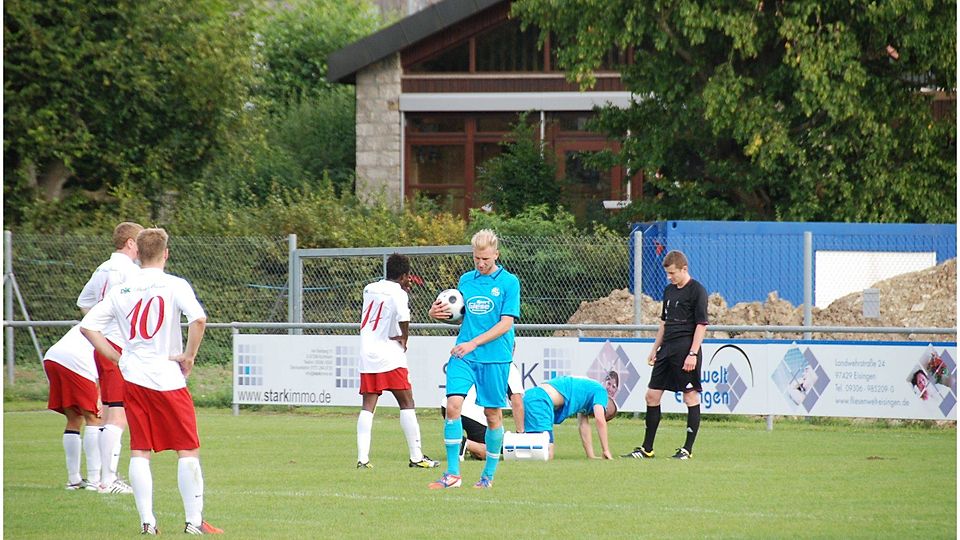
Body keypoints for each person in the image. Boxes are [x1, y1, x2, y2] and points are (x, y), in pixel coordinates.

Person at [80, 228, 222, 535]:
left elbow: (88, 327)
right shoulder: (174, 284)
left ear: (138, 254)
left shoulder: (123, 290)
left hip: (134, 377)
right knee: (187, 449)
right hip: (167, 377)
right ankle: (194, 522)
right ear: (166, 253)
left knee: (140, 449)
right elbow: (198, 319)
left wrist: (117, 357)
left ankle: (148, 522)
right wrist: (189, 355)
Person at [428, 229, 520, 489]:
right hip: (464, 355)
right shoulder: (465, 281)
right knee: (453, 405)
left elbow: (506, 324)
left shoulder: (509, 283)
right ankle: (453, 474)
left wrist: (474, 343)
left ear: (496, 255)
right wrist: (435, 312)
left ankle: (487, 476)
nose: (481, 264)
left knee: (492, 415)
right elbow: (456, 312)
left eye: (486, 260)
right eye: (477, 258)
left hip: (494, 357)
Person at [77, 221, 142, 494]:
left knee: (106, 414)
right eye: (140, 241)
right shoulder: (128, 271)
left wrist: (99, 328)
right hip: (117, 347)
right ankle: (109, 480)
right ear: (130, 242)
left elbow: (84, 302)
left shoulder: (102, 267)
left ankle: (100, 478)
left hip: (103, 344)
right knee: (118, 413)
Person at [623, 250, 708, 461]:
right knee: (651, 396)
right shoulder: (669, 290)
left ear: (684, 269)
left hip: (685, 349)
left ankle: (687, 449)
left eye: (672, 273)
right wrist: (654, 349)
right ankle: (647, 449)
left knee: (690, 396)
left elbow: (701, 325)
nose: (670, 277)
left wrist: (692, 353)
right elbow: (664, 322)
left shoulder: (697, 290)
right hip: (666, 350)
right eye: (668, 274)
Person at [356, 253, 438, 469]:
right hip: (390, 354)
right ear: (404, 276)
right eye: (408, 277)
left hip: (367, 352)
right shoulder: (399, 293)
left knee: (368, 406)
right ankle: (416, 457)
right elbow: (404, 318)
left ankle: (362, 459)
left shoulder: (369, 288)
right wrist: (404, 338)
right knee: (407, 401)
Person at [43, 324, 103, 490]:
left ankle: (74, 479)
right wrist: (100, 396)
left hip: (52, 358)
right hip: (76, 361)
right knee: (95, 417)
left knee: (75, 417)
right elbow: (107, 364)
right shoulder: (120, 323)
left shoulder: (98, 314)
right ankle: (94, 479)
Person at [440, 362, 524, 461]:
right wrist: (520, 433)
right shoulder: (508, 365)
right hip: (473, 412)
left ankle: (460, 443)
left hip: (449, 406)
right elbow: (517, 402)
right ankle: (463, 443)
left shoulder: (474, 356)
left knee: (482, 452)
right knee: (493, 450)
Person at [522, 376, 616, 460]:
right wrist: (606, 450)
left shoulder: (587, 394)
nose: (593, 415)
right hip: (540, 401)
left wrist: (591, 456)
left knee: (532, 449)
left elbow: (583, 426)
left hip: (531, 396)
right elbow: (600, 420)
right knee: (546, 454)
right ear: (605, 408)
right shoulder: (601, 392)